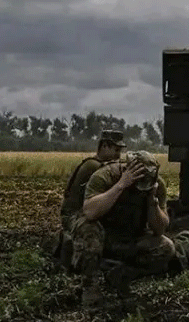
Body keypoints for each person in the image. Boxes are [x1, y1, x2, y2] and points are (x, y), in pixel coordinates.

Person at [74, 150, 177, 303]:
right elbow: (90, 212)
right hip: (103, 236)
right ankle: (90, 285)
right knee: (89, 228)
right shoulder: (105, 176)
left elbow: (160, 229)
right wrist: (121, 185)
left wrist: (152, 201)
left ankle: (121, 273)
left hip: (130, 238)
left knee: (167, 248)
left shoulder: (156, 185)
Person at [54, 129, 127, 269]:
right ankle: (83, 266)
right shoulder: (95, 167)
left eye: (120, 151)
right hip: (74, 214)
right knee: (93, 231)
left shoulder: (99, 165)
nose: (118, 155)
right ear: (104, 146)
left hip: (85, 209)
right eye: (116, 150)